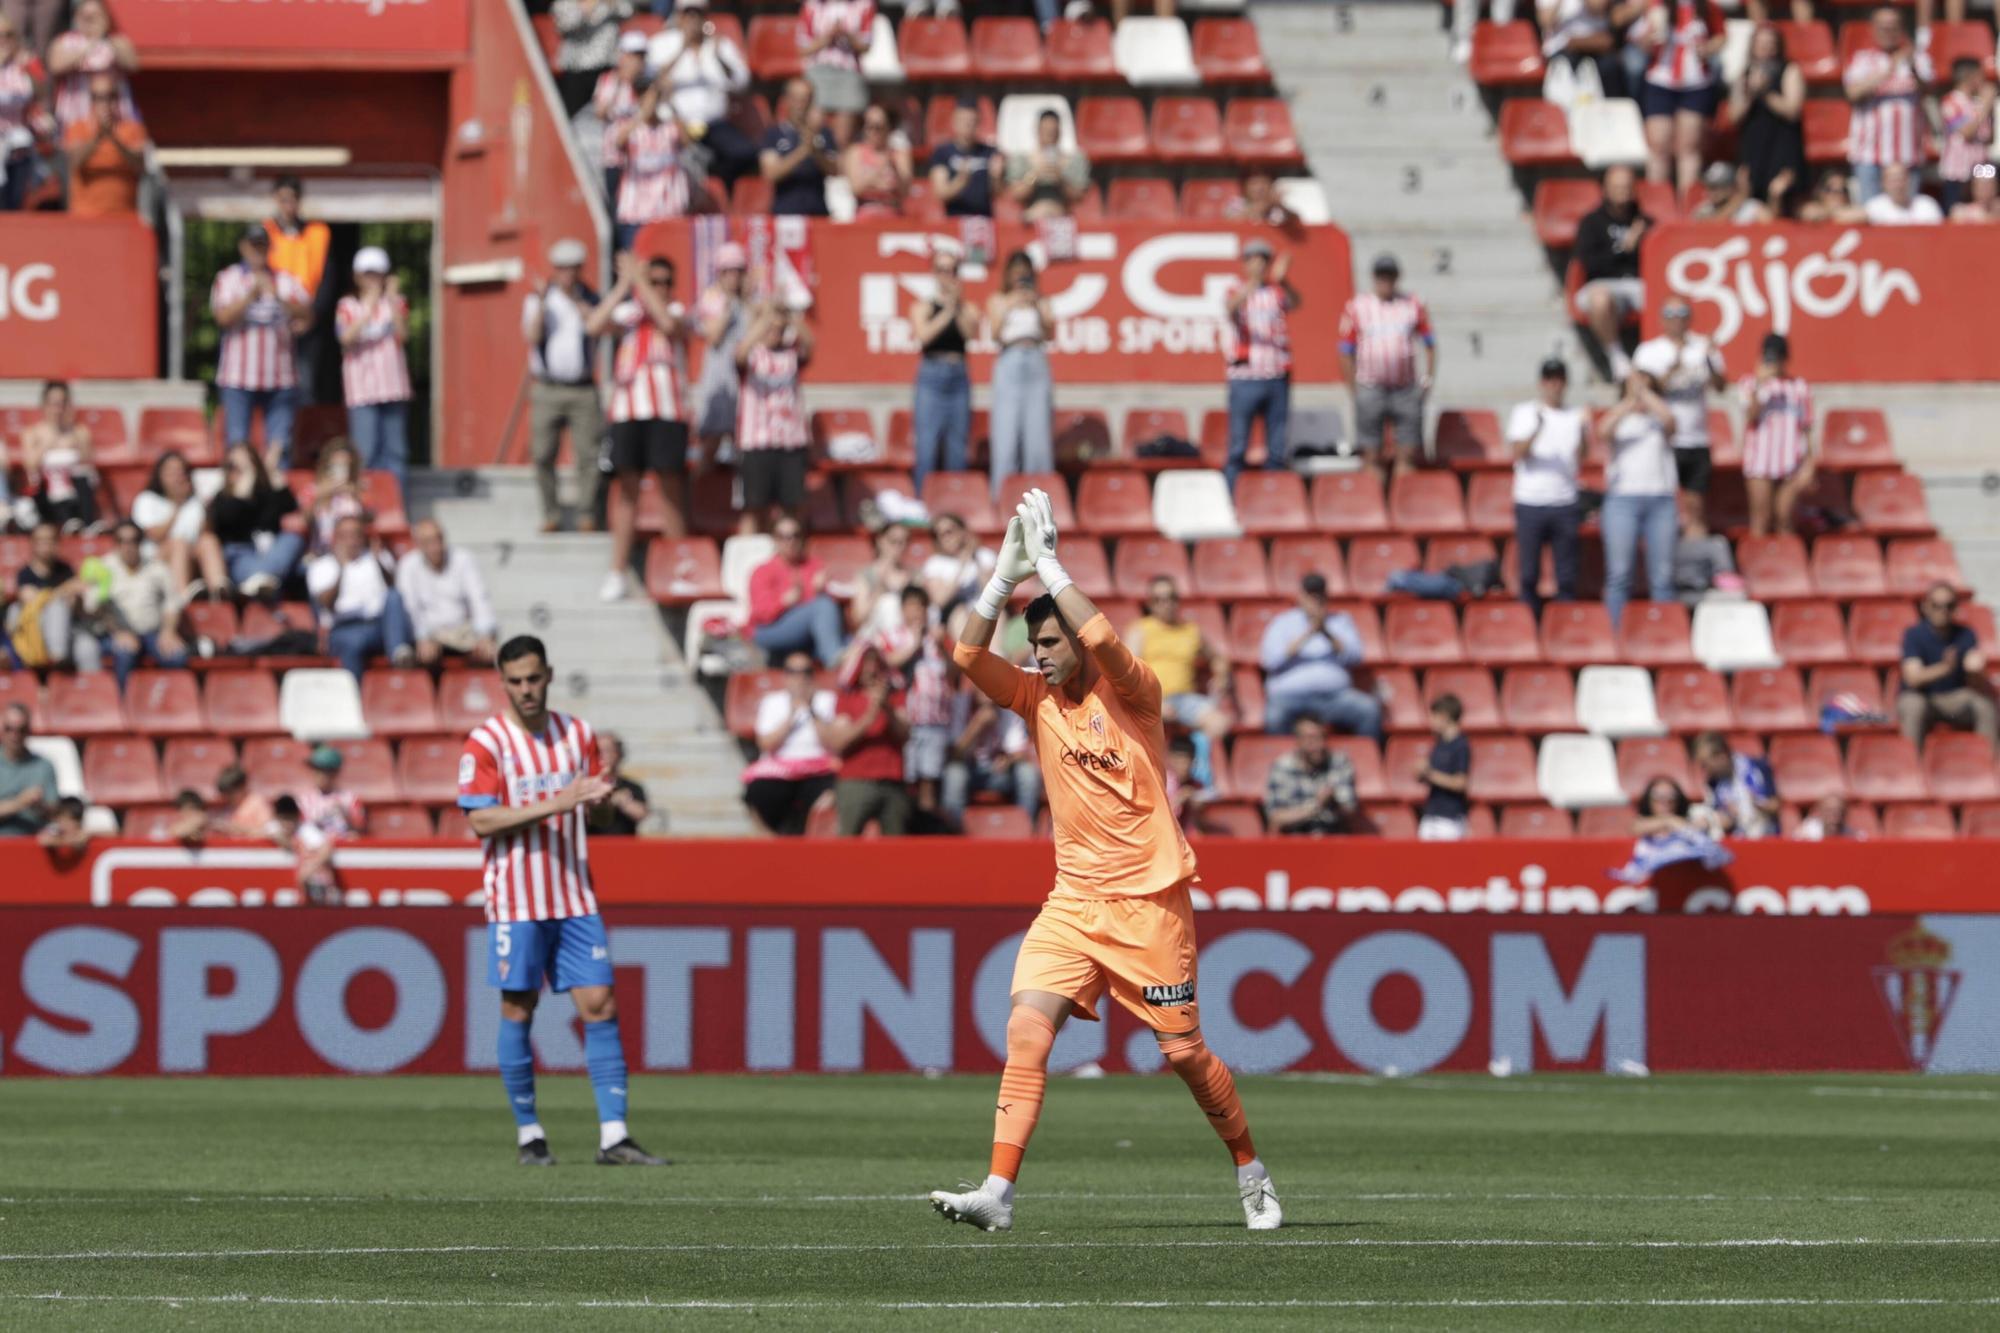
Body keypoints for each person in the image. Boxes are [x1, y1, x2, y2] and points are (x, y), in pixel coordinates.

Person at [929, 490, 1280, 1234]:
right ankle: (998, 1191)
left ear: (1079, 645)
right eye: (1034, 644)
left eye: (1050, 643)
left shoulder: (1137, 694)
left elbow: (1104, 637)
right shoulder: (1035, 699)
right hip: (1073, 903)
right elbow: (966, 656)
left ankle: (1250, 1169)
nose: (1039, 655)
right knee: (1027, 1030)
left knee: (1183, 1054)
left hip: (1150, 904)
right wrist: (1004, 577)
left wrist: (1053, 568)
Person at [458, 633, 665, 1166]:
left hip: (574, 895)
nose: (526, 689)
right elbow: (481, 820)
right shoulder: (487, 742)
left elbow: (595, 814)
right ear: (503, 684)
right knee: (518, 1008)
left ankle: (614, 1136)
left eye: (534, 678)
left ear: (549, 675)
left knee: (601, 1006)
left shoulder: (578, 734)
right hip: (517, 900)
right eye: (515, 681)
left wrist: (600, 804)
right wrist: (560, 800)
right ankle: (530, 1134)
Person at [590, 251, 690, 601]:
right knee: (627, 492)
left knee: (670, 491)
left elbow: (668, 325)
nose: (658, 287)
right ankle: (617, 571)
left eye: (664, 282)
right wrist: (623, 285)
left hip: (667, 410)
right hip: (628, 410)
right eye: (653, 281)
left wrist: (641, 282)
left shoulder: (677, 310)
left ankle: (678, 566)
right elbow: (594, 325)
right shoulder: (628, 314)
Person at [211, 226, 312, 471]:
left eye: (262, 246)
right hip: (238, 377)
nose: (258, 251)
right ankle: (241, 491)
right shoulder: (228, 278)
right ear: (243, 247)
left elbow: (308, 314)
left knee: (279, 447)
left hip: (280, 377)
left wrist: (278, 297)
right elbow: (222, 317)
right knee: (238, 445)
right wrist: (251, 295)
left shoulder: (285, 280)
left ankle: (275, 491)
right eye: (253, 246)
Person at [522, 238, 604, 534]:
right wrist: (543, 303)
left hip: (583, 388)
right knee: (543, 453)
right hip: (548, 388)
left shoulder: (592, 299)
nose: (567, 275)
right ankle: (551, 514)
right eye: (562, 268)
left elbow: (604, 328)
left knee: (589, 455)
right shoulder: (538, 299)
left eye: (573, 268)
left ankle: (586, 514)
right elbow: (532, 337)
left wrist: (588, 313)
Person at [1633, 299, 1725, 539]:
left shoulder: (1703, 346)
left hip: (1696, 438)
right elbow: (1640, 392)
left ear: (1690, 317)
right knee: (1663, 507)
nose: (1676, 319)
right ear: (1661, 319)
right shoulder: (1649, 351)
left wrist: (1709, 360)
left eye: (1682, 313)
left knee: (1696, 508)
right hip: (1662, 440)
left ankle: (1696, 556)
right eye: (1670, 313)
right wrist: (1671, 370)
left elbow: (1721, 386)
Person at [1337, 252, 1435, 479]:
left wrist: (1427, 379)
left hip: (1405, 388)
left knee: (1407, 455)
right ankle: (1373, 499)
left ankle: (1404, 499)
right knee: (1370, 455)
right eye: (1381, 276)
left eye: (1390, 276)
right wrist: (1354, 388)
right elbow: (1345, 350)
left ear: (1397, 277)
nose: (1386, 281)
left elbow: (1430, 343)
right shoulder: (1358, 306)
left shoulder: (1412, 304)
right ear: (1374, 277)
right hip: (1370, 386)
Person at [1125, 576, 1232, 779]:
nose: (1166, 604)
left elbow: (1218, 658)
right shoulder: (1140, 630)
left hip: (1185, 699)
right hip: (1151, 697)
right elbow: (1128, 672)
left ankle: (1198, 779)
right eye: (1159, 599)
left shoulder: (1190, 630)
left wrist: (1221, 676)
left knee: (1219, 723)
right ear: (1150, 603)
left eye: (1171, 597)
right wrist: (1154, 702)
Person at [1598, 358, 1679, 627]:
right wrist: (1629, 400)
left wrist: (1645, 392)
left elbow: (1670, 421)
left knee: (1663, 577)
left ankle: (1663, 634)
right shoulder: (1621, 421)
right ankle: (1617, 634)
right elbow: (1602, 430)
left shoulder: (1659, 420)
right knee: (1619, 575)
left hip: (1661, 502)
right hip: (1623, 501)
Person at [645, 0, 757, 190]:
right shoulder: (662, 43)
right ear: (679, 16)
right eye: (688, 14)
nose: (693, 20)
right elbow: (651, 81)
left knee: (744, 153)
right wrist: (683, 47)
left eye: (698, 14)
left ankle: (712, 180)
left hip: (713, 124)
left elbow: (742, 83)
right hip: (675, 123)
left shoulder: (720, 44)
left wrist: (719, 57)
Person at [1257, 573, 1383, 739]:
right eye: (1310, 595)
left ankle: (1364, 755)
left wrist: (1325, 631)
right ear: (1301, 596)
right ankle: (1283, 757)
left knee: (1368, 710)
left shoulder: (1341, 621)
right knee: (1275, 717)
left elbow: (1355, 657)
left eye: (1319, 595)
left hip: (1334, 698)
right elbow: (1270, 661)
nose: (1315, 600)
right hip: (1290, 697)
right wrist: (1309, 632)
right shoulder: (1282, 622)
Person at [1508, 357, 1586, 617]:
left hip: (1564, 502)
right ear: (1542, 382)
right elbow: (1518, 452)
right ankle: (1529, 626)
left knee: (1567, 576)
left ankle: (1563, 626)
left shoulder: (1575, 416)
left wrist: (1584, 431)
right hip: (1530, 501)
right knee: (1529, 574)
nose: (1555, 385)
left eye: (1559, 379)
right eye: (1550, 379)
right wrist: (1538, 428)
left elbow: (1583, 456)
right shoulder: (1525, 412)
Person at [1221, 240, 1300, 492]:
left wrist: (1283, 280)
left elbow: (1296, 302)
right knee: (1238, 447)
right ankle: (1233, 498)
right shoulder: (1235, 288)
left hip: (1276, 376)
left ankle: (1271, 499)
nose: (1259, 265)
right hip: (1245, 377)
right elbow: (1230, 308)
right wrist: (1253, 283)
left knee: (1277, 448)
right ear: (1245, 264)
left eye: (1264, 260)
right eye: (1253, 260)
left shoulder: (1277, 292)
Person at [733, 295, 814, 535]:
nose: (774, 331)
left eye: (778, 328)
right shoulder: (752, 355)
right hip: (756, 443)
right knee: (753, 508)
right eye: (770, 327)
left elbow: (810, 344)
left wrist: (789, 315)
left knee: (792, 508)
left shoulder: (792, 354)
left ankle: (789, 553)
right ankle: (750, 553)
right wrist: (764, 318)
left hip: (791, 443)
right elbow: (740, 354)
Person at [335, 247, 413, 481]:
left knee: (396, 452)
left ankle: (397, 501)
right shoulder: (348, 305)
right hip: (362, 391)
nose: (372, 280)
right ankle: (368, 501)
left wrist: (390, 299)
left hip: (393, 388)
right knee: (365, 452)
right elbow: (345, 338)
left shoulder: (397, 303)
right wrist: (367, 310)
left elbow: (403, 335)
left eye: (377, 274)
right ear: (357, 277)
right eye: (367, 274)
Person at [742, 651, 839, 835]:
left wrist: (810, 709)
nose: (800, 678)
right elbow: (766, 744)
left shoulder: (828, 700)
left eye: (806, 672)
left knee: (835, 793)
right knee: (757, 792)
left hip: (820, 769)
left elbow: (833, 742)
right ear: (785, 676)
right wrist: (791, 715)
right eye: (793, 672)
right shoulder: (772, 702)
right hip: (779, 769)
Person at [306, 515, 414, 678]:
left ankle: (399, 655)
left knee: (393, 596)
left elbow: (395, 589)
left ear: (363, 537)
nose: (351, 541)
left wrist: (379, 561)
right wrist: (341, 570)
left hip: (380, 626)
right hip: (343, 628)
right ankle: (353, 692)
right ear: (335, 538)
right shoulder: (321, 566)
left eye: (356, 534)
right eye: (345, 535)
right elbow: (326, 603)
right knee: (352, 643)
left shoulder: (378, 557)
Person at [1636, 0, 1726, 195]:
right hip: (1660, 80)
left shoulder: (1707, 6)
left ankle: (1687, 203)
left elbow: (1721, 36)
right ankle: (1657, 201)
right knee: (1659, 146)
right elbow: (1640, 42)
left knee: (1689, 147)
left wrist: (1708, 48)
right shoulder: (1656, 5)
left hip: (1695, 83)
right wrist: (1650, 38)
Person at [820, 641, 909, 836]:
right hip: (856, 781)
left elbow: (905, 735)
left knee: (896, 845)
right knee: (848, 841)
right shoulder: (847, 697)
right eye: (866, 662)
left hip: (892, 780)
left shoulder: (896, 696)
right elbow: (839, 742)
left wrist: (886, 708)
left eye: (875, 662)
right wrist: (869, 716)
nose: (871, 668)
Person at [1843, 7, 1931, 204]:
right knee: (1871, 214)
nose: (1888, 32)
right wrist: (1889, 69)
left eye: (1893, 27)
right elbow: (1852, 93)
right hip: (1869, 155)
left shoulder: (1917, 58)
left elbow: (1928, 90)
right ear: (1873, 29)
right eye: (1883, 27)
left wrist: (1912, 67)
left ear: (1902, 29)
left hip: (1908, 154)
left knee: (1906, 216)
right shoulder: (1862, 59)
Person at [986, 250, 1055, 499]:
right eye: (1016, 273)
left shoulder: (1040, 301)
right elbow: (995, 333)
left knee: (1038, 437)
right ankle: (1002, 497)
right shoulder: (999, 299)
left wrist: (1035, 303)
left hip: (1035, 358)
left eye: (1025, 273)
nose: (1020, 278)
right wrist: (1012, 303)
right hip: (1010, 359)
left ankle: (1040, 498)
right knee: (1006, 435)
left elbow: (1049, 332)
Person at [909, 249, 978, 493]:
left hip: (958, 374)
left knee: (957, 445)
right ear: (934, 273)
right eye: (942, 270)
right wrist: (947, 309)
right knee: (927, 445)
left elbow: (969, 334)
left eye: (953, 270)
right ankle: (923, 501)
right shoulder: (923, 306)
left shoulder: (967, 308)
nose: (948, 275)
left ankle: (955, 500)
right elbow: (924, 336)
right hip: (932, 374)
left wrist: (956, 306)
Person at [1899, 583, 1997, 754]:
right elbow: (1912, 679)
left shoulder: (1966, 634)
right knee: (1913, 706)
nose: (1943, 610)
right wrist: (1945, 668)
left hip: (1954, 697)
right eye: (1936, 605)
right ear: (1926, 606)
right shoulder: (1914, 634)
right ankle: (1910, 763)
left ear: (1955, 608)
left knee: (1985, 705)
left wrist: (1976, 672)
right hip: (1924, 697)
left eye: (1949, 605)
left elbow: (1975, 682)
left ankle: (1988, 762)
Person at [1573, 165, 1650, 380]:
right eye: (1617, 187)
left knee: (1666, 299)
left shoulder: (1645, 222)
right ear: (1605, 189)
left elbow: (1659, 260)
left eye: (1627, 187)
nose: (1623, 192)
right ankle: (1616, 356)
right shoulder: (1591, 223)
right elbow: (1590, 264)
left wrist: (1644, 242)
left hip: (1639, 284)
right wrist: (1624, 248)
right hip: (1603, 283)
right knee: (1600, 299)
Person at [92, 519, 187, 688]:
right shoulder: (103, 568)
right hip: (115, 633)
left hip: (151, 633)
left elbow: (172, 602)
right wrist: (118, 632)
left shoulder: (156, 567)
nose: (128, 546)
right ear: (115, 544)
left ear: (141, 543)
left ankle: (170, 701)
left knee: (177, 656)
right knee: (125, 653)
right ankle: (123, 702)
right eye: (122, 541)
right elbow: (98, 607)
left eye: (133, 540)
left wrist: (168, 631)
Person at [1737, 332, 1814, 537]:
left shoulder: (1799, 387)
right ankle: (1757, 557)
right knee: (1760, 519)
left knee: (1784, 517)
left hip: (1790, 461)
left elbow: (1807, 427)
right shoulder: (1749, 384)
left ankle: (1787, 557)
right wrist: (1760, 383)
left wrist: (1809, 464)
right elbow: (1751, 415)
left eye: (1778, 357)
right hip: (1759, 460)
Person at [263, 175, 333, 398]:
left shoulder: (317, 233)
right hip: (272, 321)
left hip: (307, 323)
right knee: (269, 381)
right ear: (275, 199)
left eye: (292, 199)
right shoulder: (264, 232)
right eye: (283, 199)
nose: (288, 205)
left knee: (304, 384)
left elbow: (327, 278)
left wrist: (311, 316)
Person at [396, 518, 500, 665]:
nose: (436, 546)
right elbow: (411, 608)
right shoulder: (408, 565)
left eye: (439, 539)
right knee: (425, 655)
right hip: (430, 635)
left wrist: (485, 634)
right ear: (419, 544)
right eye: (429, 541)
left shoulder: (464, 559)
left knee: (488, 651)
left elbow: (480, 599)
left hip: (463, 632)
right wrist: (423, 636)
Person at [1729, 24, 1806, 215]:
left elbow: (1792, 110)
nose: (1765, 47)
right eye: (1761, 43)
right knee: (1753, 197)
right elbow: (1734, 116)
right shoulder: (1743, 74)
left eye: (1770, 43)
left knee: (1781, 194)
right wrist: (1750, 94)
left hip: (1782, 143)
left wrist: (1765, 93)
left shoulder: (1789, 70)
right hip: (1754, 144)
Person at [748, 518, 845, 665]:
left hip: (805, 633)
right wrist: (783, 602)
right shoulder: (762, 571)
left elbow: (829, 614)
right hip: (769, 629)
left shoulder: (814, 565)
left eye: (796, 535)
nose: (791, 541)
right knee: (823, 606)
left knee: (848, 639)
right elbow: (760, 613)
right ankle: (836, 661)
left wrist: (821, 591)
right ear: (775, 540)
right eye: (784, 537)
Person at [941, 689, 1042, 830]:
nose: (984, 690)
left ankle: (1025, 828)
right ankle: (955, 830)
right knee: (954, 774)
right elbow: (953, 755)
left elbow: (1019, 751)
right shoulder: (960, 703)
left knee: (1027, 773)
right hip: (969, 771)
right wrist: (977, 725)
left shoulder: (1010, 707)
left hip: (1000, 774)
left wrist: (1008, 760)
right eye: (979, 684)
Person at [611, 78, 690, 252]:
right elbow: (618, 142)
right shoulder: (629, 127)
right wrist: (642, 114)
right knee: (635, 260)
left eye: (654, 98)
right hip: (636, 212)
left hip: (668, 211)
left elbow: (686, 141)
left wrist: (670, 103)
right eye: (646, 97)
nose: (651, 102)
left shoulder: (670, 128)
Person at [8, 520, 96, 671]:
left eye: (50, 540)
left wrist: (76, 595)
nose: (46, 545)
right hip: (34, 631)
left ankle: (91, 686)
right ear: (33, 543)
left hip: (66, 629)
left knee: (88, 647)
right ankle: (56, 656)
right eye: (41, 540)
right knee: (57, 607)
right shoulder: (25, 574)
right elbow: (31, 600)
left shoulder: (65, 569)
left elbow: (74, 606)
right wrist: (65, 589)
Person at [693, 246, 750, 466]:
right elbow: (714, 337)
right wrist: (728, 305)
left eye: (738, 270)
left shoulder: (749, 302)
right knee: (711, 442)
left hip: (745, 380)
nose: (734, 276)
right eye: (728, 271)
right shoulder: (712, 298)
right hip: (719, 378)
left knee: (744, 443)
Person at [46, 0, 136, 138]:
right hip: (76, 107)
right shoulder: (64, 41)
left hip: (112, 106)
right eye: (85, 16)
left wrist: (103, 36)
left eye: (95, 16)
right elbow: (55, 66)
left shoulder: (117, 41)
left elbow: (132, 64)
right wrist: (90, 43)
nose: (89, 20)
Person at [19, 380, 97, 532]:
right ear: (44, 405)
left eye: (63, 403)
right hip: (46, 494)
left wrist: (74, 439)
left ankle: (86, 526)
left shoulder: (80, 432)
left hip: (75, 493)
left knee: (82, 477)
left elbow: (89, 462)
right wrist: (48, 442)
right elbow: (30, 465)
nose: (58, 409)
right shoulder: (32, 433)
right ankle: (67, 523)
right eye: (54, 404)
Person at [63, 72, 144, 218]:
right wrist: (98, 137)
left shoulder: (133, 129)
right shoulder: (78, 128)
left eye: (110, 97)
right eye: (99, 98)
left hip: (125, 216)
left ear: (117, 99)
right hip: (86, 215)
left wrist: (115, 139)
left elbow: (139, 165)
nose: (105, 104)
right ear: (92, 101)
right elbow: (75, 162)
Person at [129, 450, 208, 597]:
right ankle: (181, 596)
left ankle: (219, 592)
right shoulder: (146, 499)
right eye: (171, 472)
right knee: (179, 544)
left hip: (190, 559)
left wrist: (204, 504)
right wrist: (177, 506)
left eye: (180, 472)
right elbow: (155, 535)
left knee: (208, 541)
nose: (177, 477)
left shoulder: (194, 502)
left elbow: (203, 533)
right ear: (159, 475)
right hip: (154, 560)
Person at [1264, 715, 1359, 836]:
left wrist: (1335, 802)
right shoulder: (1283, 767)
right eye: (1311, 738)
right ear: (1298, 741)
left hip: (1332, 839)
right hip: (1295, 841)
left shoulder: (1339, 763)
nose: (1319, 745)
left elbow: (1351, 814)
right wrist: (1316, 805)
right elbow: (1275, 818)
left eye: (1322, 737)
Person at [760, 76, 840, 217]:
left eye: (806, 99)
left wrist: (815, 151)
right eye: (796, 99)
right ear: (787, 100)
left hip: (818, 213)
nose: (801, 105)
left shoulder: (823, 133)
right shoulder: (774, 133)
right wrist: (802, 151)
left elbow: (834, 170)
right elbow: (770, 173)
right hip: (785, 213)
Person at [798, 0, 874, 146]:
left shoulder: (864, 5)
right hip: (819, 72)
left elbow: (865, 46)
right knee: (813, 129)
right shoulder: (811, 5)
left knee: (842, 138)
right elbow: (803, 48)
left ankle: (840, 160)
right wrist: (827, 38)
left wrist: (846, 35)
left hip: (848, 73)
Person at [0, 14, 51, 212]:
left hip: (17, 140)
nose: (3, 40)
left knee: (15, 201)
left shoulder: (24, 64)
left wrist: (28, 67)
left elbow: (42, 94)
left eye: (8, 35)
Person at [592, 31, 648, 207]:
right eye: (632, 55)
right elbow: (600, 112)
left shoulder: (649, 83)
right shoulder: (608, 80)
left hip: (642, 155)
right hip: (614, 155)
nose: (636, 61)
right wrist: (620, 83)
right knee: (614, 204)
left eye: (640, 56)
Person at [1006, 109, 1091, 221]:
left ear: (1059, 132)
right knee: (1042, 210)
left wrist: (1060, 178)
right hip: (1031, 215)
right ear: (1038, 131)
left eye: (1053, 131)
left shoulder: (1074, 160)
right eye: (1046, 131)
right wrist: (1035, 175)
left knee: (1049, 210)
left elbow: (1078, 195)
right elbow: (1017, 194)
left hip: (1062, 214)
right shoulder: (1021, 159)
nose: (1050, 135)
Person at [551, 0, 632, 118]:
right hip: (577, 69)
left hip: (606, 68)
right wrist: (592, 3)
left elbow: (627, 11)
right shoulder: (564, 3)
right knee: (574, 115)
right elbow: (569, 24)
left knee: (607, 113)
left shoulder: (607, 3)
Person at [1691, 730, 1778, 838]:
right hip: (1735, 838)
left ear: (1721, 756)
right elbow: (1719, 814)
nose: (1705, 770)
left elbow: (1776, 805)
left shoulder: (1758, 768)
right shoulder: (1713, 783)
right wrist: (1722, 818)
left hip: (1765, 835)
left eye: (1705, 764)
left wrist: (1755, 804)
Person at [928, 96, 1001, 219]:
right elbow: (940, 193)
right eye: (964, 120)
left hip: (983, 220)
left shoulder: (990, 152)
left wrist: (996, 177)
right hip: (954, 220)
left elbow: (998, 194)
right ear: (954, 122)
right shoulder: (942, 153)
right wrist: (960, 181)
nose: (968, 125)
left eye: (972, 121)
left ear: (978, 122)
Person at [1939, 60, 1996, 213]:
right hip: (1958, 172)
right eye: (1980, 76)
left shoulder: (1977, 102)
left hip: (1980, 170)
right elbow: (1966, 132)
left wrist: (1988, 109)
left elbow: (1989, 138)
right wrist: (1986, 105)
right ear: (1970, 77)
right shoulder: (1951, 101)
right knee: (1957, 212)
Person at [1416, 694, 1472, 840]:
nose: (1430, 721)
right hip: (1431, 815)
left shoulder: (1461, 746)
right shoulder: (1438, 744)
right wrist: (1420, 772)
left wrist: (1430, 774)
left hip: (1450, 818)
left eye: (1434, 716)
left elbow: (1460, 783)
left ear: (1445, 716)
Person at [847, 522, 917, 638]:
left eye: (903, 542)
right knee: (889, 603)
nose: (898, 546)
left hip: (906, 634)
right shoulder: (865, 575)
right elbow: (859, 617)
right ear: (880, 541)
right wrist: (880, 589)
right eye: (893, 541)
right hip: (874, 634)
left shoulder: (913, 575)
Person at [844, 103, 911, 218]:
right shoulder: (855, 152)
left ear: (888, 128)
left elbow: (905, 191)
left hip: (892, 214)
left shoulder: (899, 155)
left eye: (878, 127)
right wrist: (878, 174)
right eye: (869, 127)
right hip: (865, 214)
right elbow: (855, 188)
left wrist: (894, 168)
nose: (873, 132)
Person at [268, 793, 337, 903]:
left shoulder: (307, 830)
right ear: (277, 818)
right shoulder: (274, 827)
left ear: (296, 816)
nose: (287, 824)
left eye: (290, 819)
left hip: (315, 880)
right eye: (284, 819)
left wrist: (309, 869)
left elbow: (326, 849)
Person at [0, 702, 56, 837]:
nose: (14, 735)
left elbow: (54, 814)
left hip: (33, 841)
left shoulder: (44, 766)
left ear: (29, 731)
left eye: (21, 729)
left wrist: (40, 806)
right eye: (9, 728)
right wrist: (20, 802)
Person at [921, 511, 994, 613]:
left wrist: (974, 557)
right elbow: (940, 600)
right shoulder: (934, 563)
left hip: (985, 609)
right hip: (953, 613)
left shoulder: (984, 555)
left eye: (949, 532)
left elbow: (992, 593)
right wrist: (962, 566)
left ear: (962, 531)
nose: (946, 538)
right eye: (940, 535)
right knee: (960, 612)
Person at [586, 732, 651, 836]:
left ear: (618, 753)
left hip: (623, 844)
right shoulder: (584, 785)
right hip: (592, 843)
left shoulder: (631, 787)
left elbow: (642, 814)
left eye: (606, 750)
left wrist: (623, 802)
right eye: (597, 751)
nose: (600, 756)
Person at [297, 743, 365, 841]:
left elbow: (360, 829)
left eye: (322, 770)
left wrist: (346, 816)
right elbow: (299, 830)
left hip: (343, 846)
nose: (317, 774)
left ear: (334, 773)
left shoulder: (350, 799)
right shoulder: (304, 800)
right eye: (315, 769)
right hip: (315, 845)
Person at [1688, 160, 1770, 223]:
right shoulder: (1704, 209)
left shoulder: (1751, 208)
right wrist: (1742, 194)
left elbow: (1771, 227)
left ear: (1730, 188)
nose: (1710, 192)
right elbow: (1712, 224)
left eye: (1716, 187)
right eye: (1708, 186)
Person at [1863, 162, 1943, 225]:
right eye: (1893, 180)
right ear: (1883, 183)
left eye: (1901, 179)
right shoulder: (1875, 207)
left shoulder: (1927, 205)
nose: (1898, 185)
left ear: (1909, 181)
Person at [1221, 171, 1301, 229]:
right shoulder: (1236, 203)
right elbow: (1233, 222)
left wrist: (1281, 206)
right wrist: (1267, 203)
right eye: (1254, 183)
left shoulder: (1276, 208)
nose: (1259, 188)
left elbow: (1296, 223)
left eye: (1264, 182)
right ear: (1245, 186)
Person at [214, 764, 274, 836]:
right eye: (225, 794)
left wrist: (238, 829)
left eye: (231, 793)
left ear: (242, 787)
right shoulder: (227, 807)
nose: (228, 797)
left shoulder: (258, 803)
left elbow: (269, 832)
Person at [1798, 168, 1870, 224]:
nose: (1836, 194)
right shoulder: (1812, 208)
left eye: (1842, 190)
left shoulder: (1854, 208)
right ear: (1820, 192)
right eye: (1830, 189)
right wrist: (1833, 212)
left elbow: (1863, 214)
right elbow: (1809, 213)